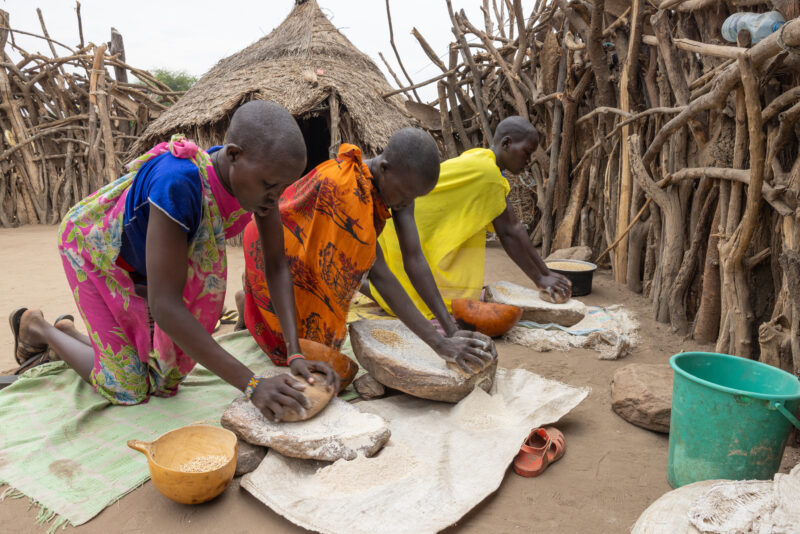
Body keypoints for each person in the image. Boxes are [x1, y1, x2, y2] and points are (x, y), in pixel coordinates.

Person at [8, 101, 338, 422]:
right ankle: (40, 328)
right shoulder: (178, 184)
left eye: (282, 187)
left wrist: (294, 351)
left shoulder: (256, 186)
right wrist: (252, 384)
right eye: (269, 186)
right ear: (234, 155)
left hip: (148, 270)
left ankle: (72, 334)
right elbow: (165, 306)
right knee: (129, 388)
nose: (275, 196)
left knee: (163, 378)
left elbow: (277, 265)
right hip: (95, 252)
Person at [242, 128, 496, 373]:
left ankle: (249, 301)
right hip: (273, 243)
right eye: (407, 195)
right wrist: (439, 344)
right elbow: (380, 275)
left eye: (415, 198)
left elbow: (414, 258)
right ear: (385, 168)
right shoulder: (347, 191)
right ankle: (252, 299)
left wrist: (450, 329)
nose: (407, 204)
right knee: (297, 348)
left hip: (306, 244)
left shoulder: (398, 186)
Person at [369, 116, 572, 318]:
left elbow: (512, 228)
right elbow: (510, 232)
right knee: (415, 300)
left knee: (420, 289)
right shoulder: (488, 175)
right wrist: (541, 277)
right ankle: (364, 284)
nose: (529, 161)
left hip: (410, 221)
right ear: (507, 143)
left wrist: (545, 274)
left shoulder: (482, 159)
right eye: (526, 152)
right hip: (407, 221)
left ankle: (365, 283)